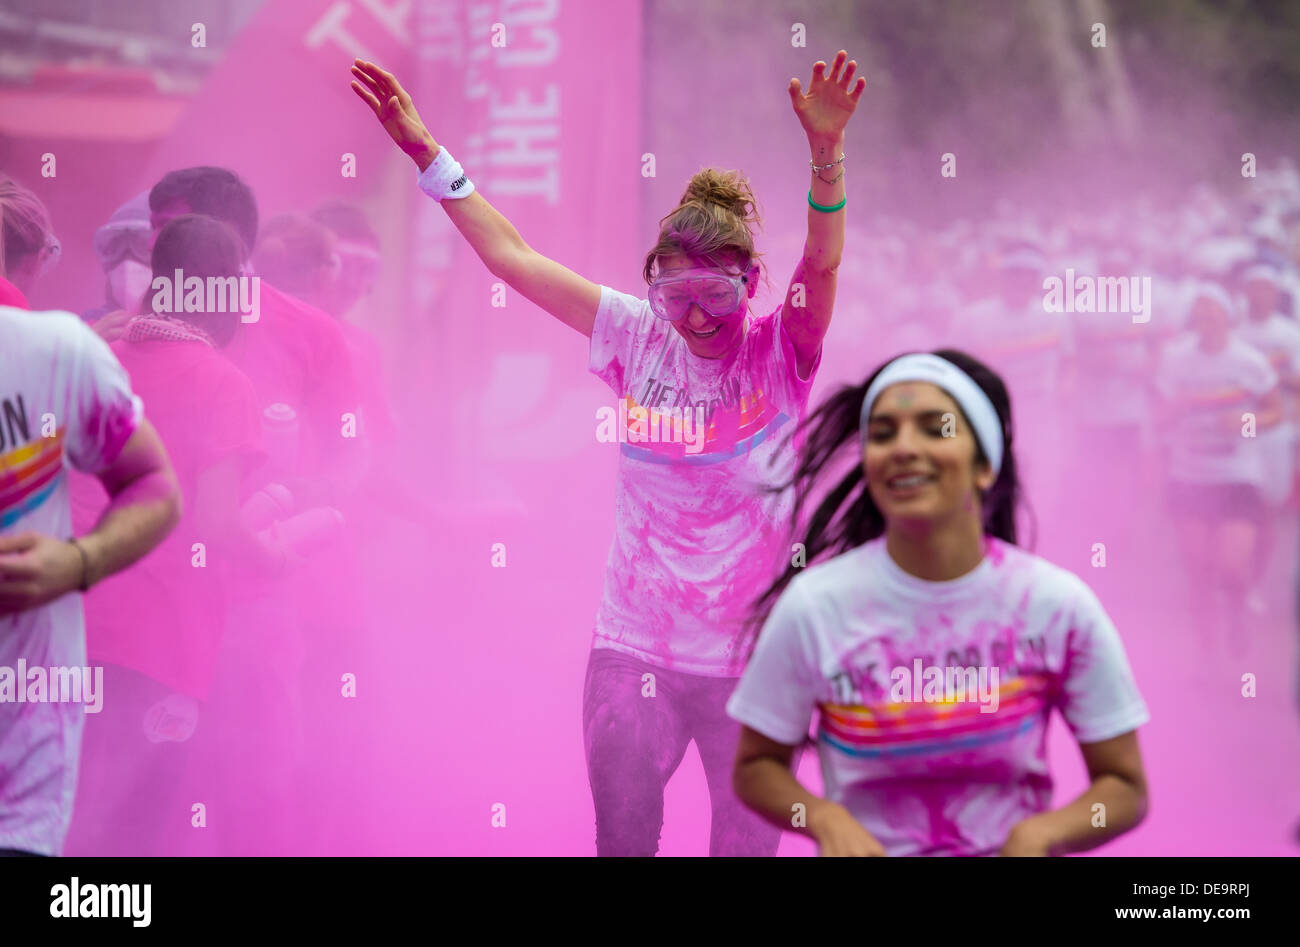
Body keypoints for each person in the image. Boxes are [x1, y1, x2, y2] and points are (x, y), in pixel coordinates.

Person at [351, 51, 866, 855]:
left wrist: (826, 155)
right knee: (623, 840)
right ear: (652, 286)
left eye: (717, 298)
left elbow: (824, 262)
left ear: (753, 282)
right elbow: (511, 258)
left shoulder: (781, 351)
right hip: (636, 646)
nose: (695, 319)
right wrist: (430, 155)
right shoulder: (631, 331)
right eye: (676, 296)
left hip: (752, 659)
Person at [726, 350, 1151, 857]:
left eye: (936, 428)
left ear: (985, 466)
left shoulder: (1057, 607)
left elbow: (1125, 785)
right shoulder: (816, 606)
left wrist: (1041, 835)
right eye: (883, 434)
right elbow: (756, 767)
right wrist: (820, 816)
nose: (904, 448)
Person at [65, 214, 280, 856]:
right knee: (136, 832)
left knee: (65, 817)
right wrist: (277, 555)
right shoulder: (223, 382)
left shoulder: (95, 356)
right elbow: (216, 524)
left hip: (63, 629)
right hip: (156, 645)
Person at [1, 173, 182, 856]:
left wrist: (77, 562)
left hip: (28, 760)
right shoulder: (71, 344)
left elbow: (157, 484)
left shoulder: (62, 349)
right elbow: (160, 484)